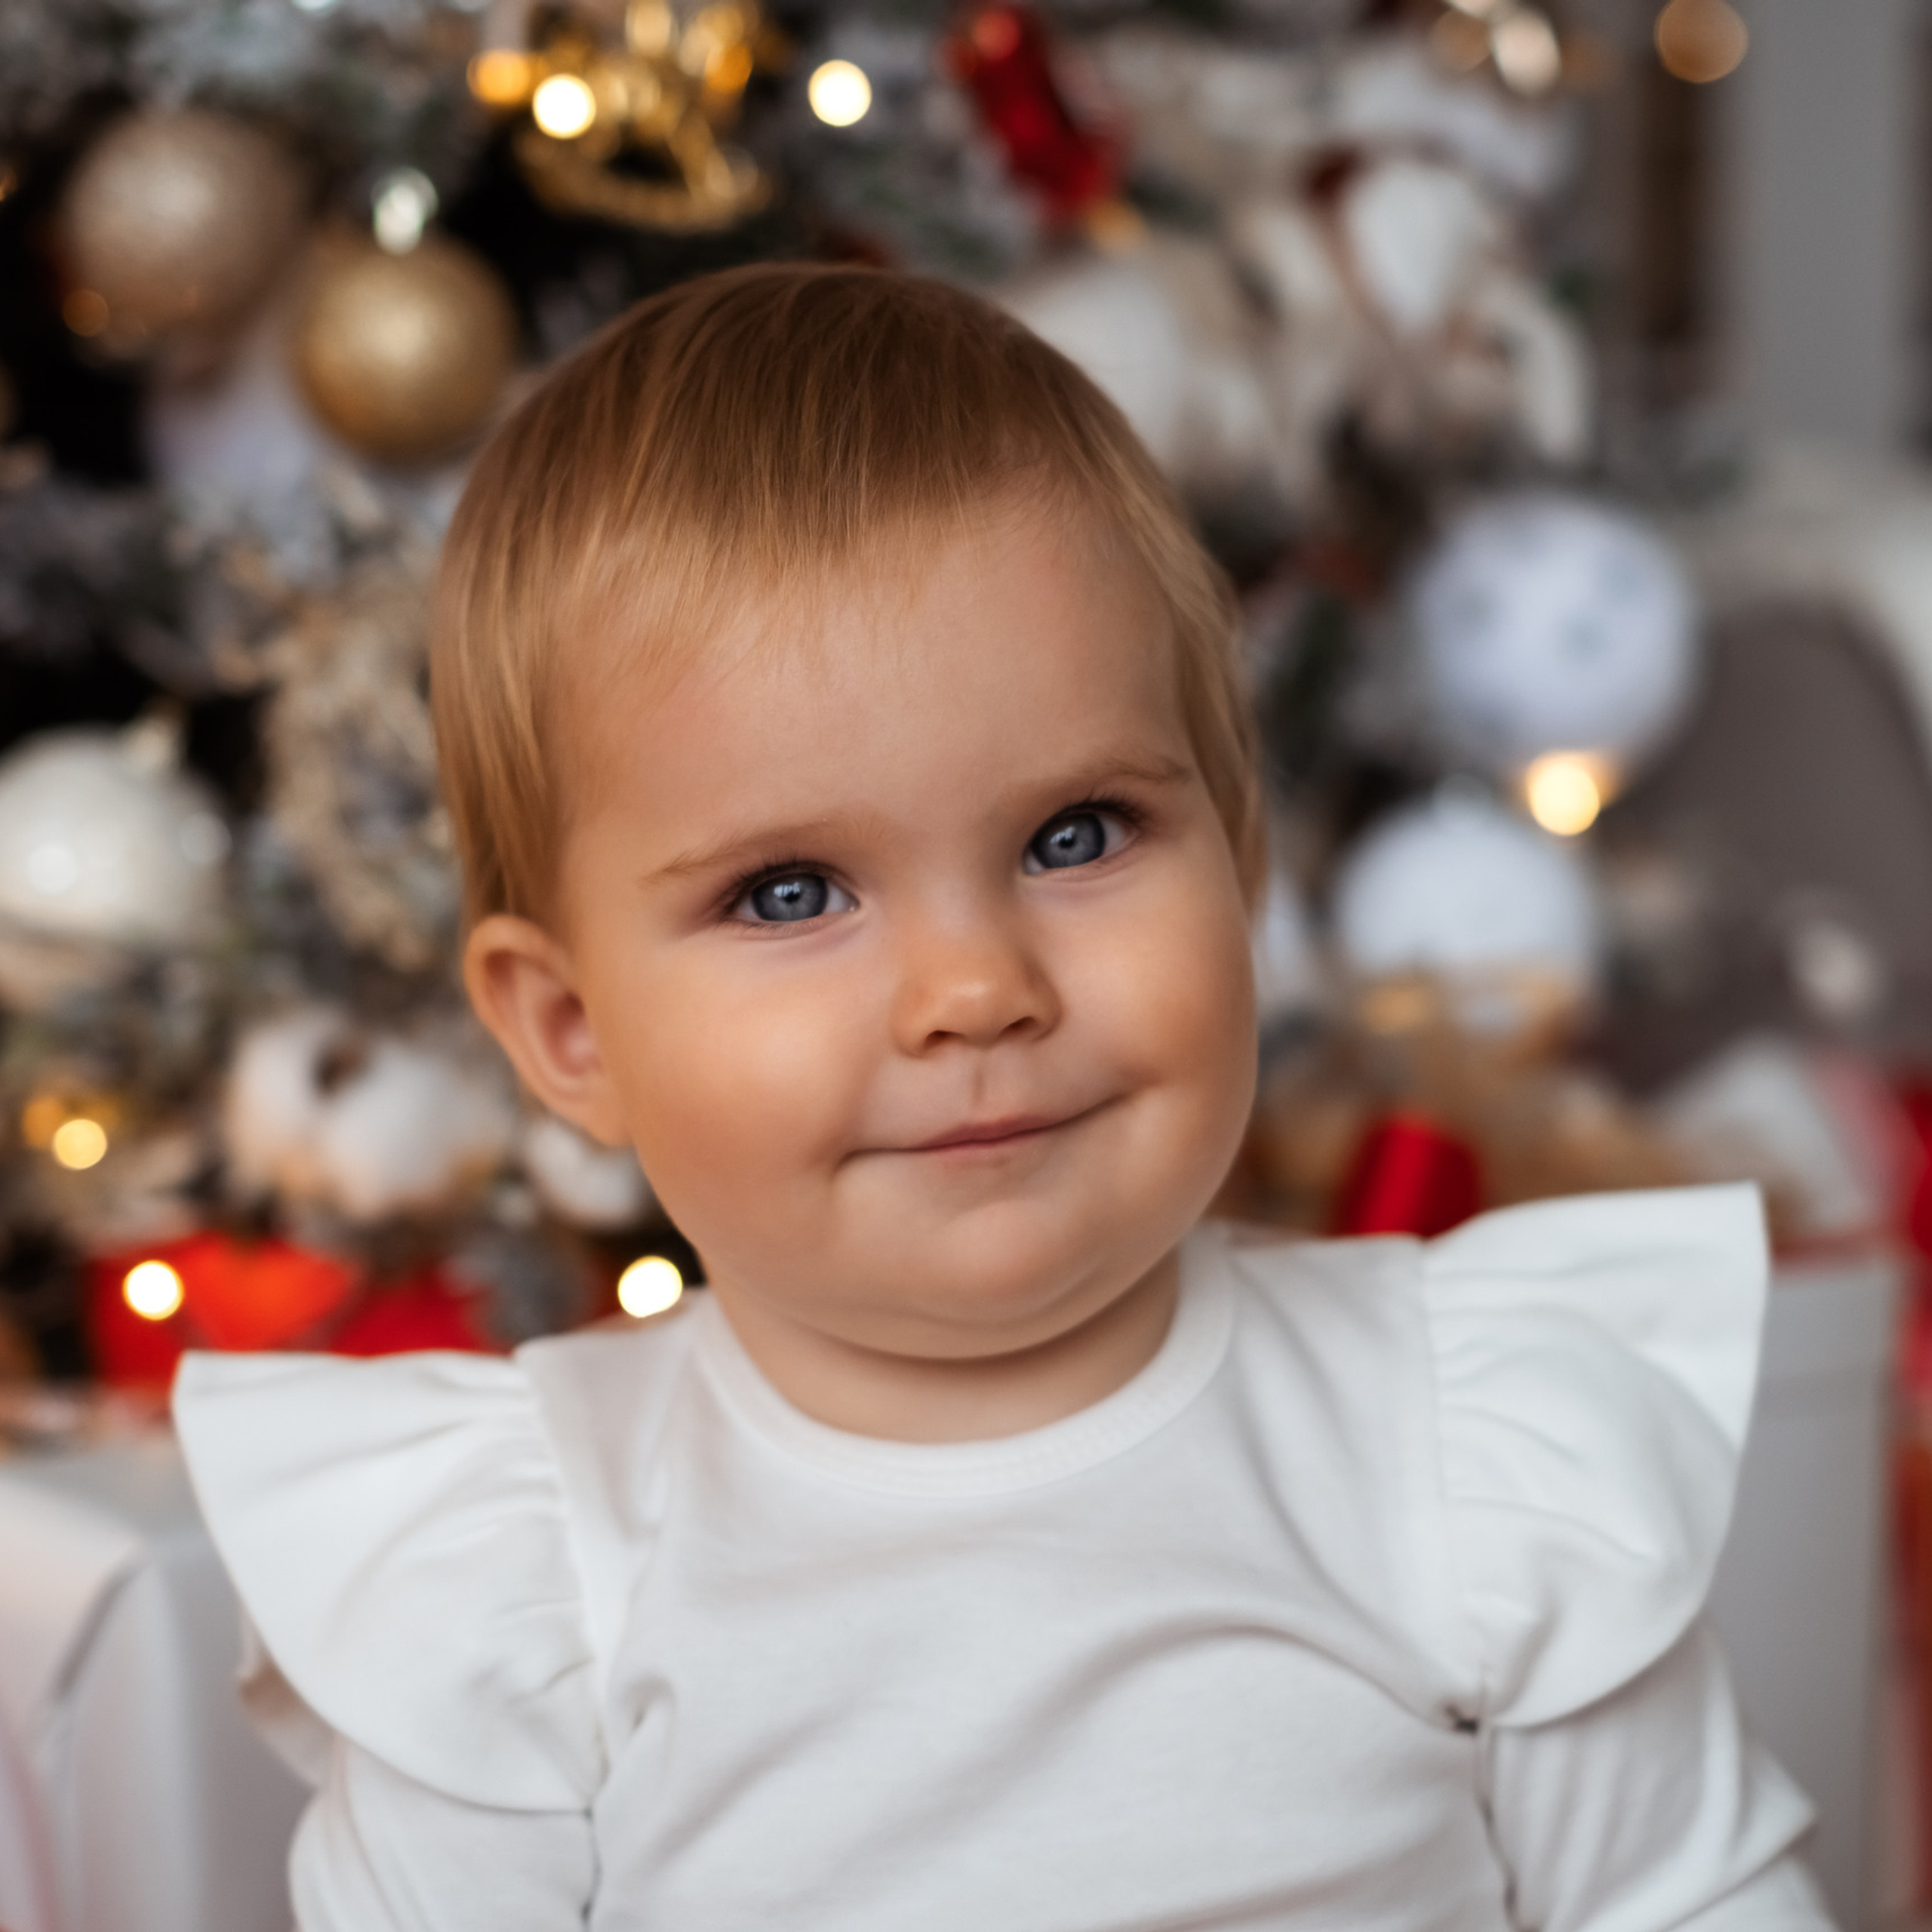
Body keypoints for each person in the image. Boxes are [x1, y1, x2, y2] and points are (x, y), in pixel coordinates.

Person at [173, 264, 1832, 1930]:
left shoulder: (1459, 1447)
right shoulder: (528, 1579)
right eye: (786, 891)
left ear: (1240, 872)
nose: (973, 988)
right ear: (571, 1029)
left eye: (1074, 836)